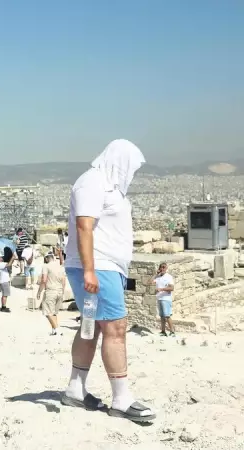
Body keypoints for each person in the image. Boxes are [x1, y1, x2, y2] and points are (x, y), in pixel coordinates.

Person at [61, 139, 155, 423]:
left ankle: (75, 389)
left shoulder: (109, 186)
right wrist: (90, 270)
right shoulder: (92, 182)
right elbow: (84, 225)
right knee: (116, 327)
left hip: (103, 266)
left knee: (92, 328)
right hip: (97, 267)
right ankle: (121, 398)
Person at [37, 255, 66, 335]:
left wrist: (39, 292)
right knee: (54, 313)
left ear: (46, 258)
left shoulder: (46, 266)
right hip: (59, 291)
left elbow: (44, 280)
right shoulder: (60, 266)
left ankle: (57, 329)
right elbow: (64, 280)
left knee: (47, 312)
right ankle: (54, 330)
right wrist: (62, 291)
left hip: (50, 291)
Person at [150, 263, 175, 337]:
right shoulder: (157, 277)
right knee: (162, 316)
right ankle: (163, 331)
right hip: (159, 298)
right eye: (161, 267)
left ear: (166, 268)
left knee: (167, 315)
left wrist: (161, 289)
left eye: (164, 267)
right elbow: (149, 282)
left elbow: (171, 288)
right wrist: (155, 274)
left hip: (166, 299)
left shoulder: (169, 277)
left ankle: (172, 331)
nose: (162, 269)